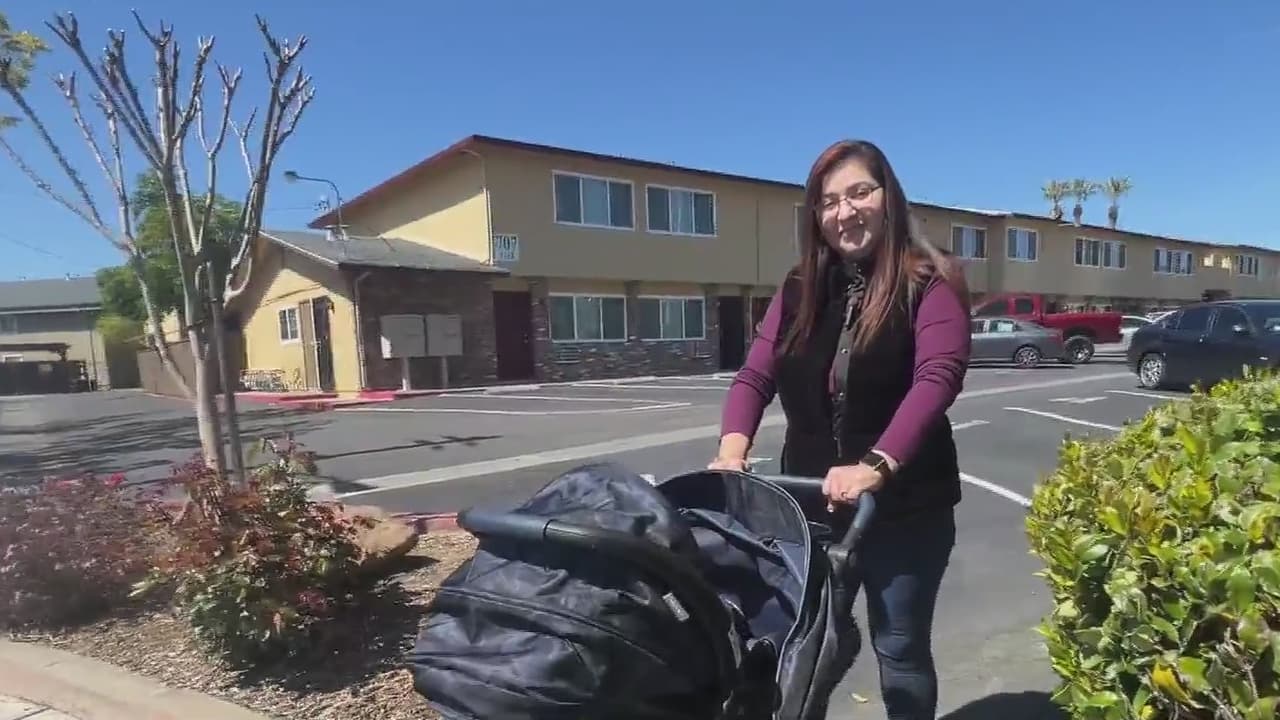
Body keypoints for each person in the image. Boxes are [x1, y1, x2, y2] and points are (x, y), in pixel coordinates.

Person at [709, 139, 971, 719]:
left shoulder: (931, 279)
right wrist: (731, 451)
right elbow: (755, 374)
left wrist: (877, 464)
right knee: (805, 648)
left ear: (888, 197)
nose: (844, 211)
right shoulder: (799, 287)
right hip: (811, 508)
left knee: (899, 647)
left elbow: (938, 377)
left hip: (905, 508)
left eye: (859, 193)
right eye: (829, 201)